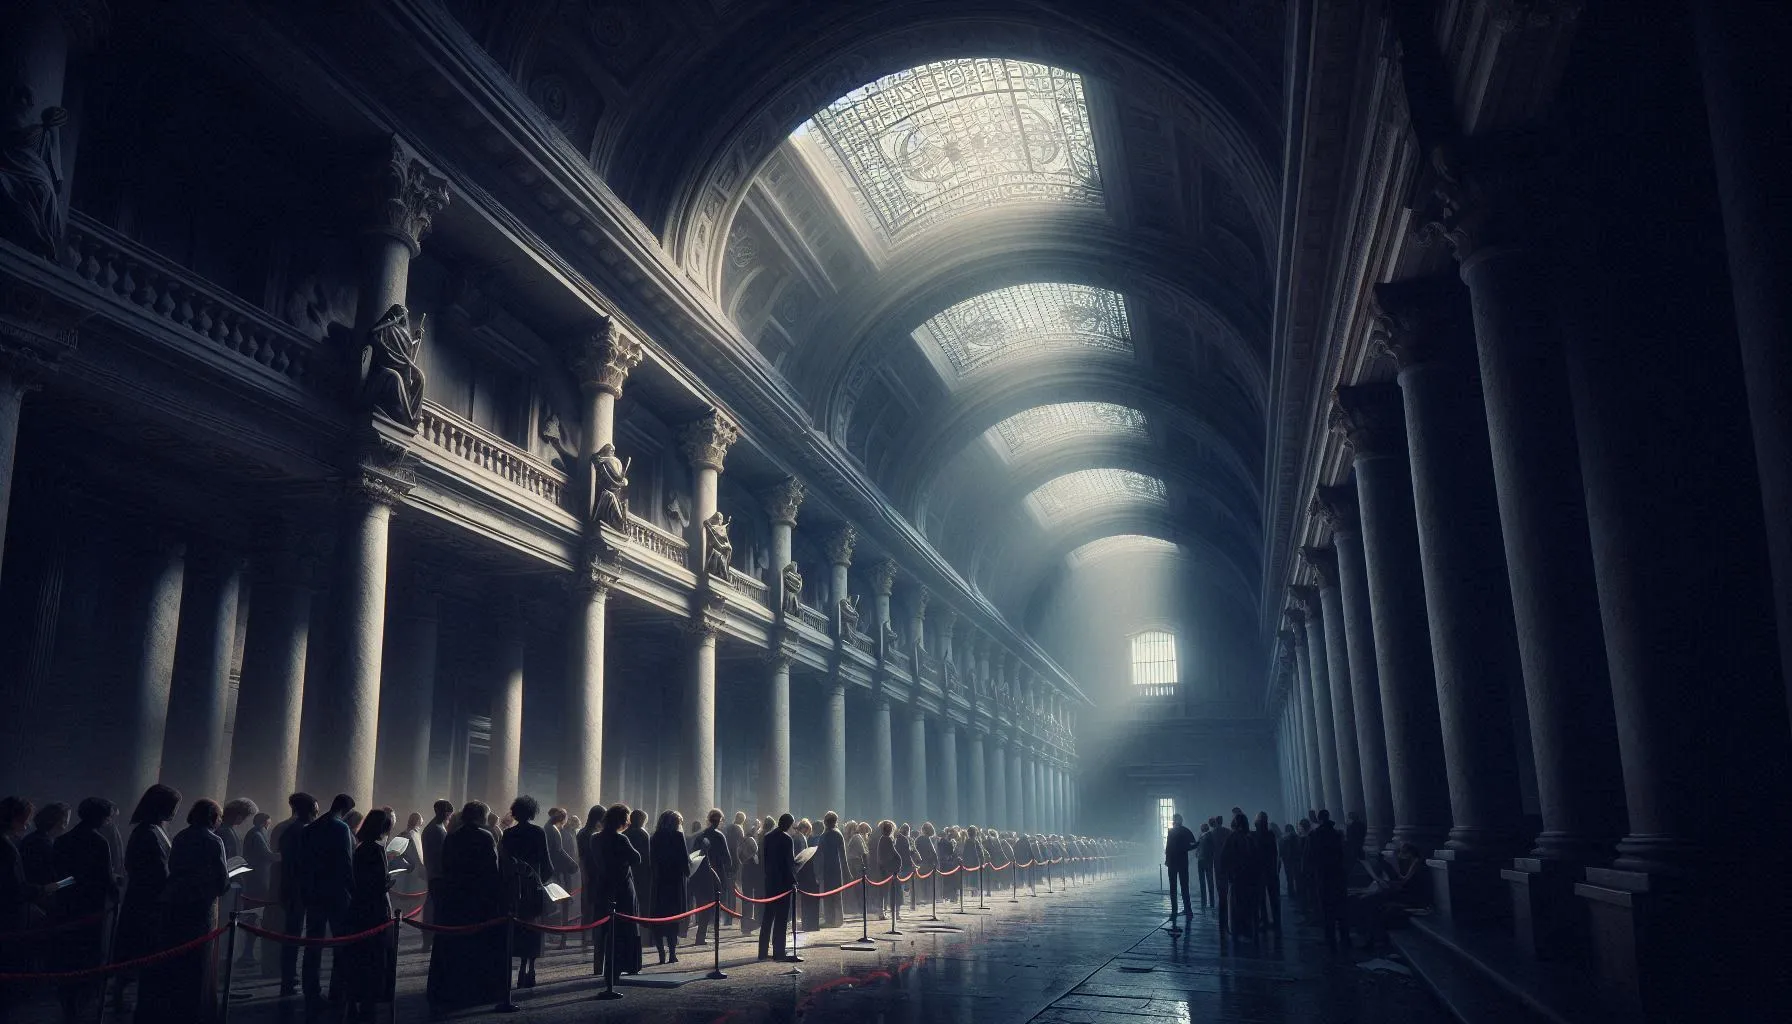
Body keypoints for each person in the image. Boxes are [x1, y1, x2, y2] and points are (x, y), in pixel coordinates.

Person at [137, 799, 228, 1023]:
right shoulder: (214, 840)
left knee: (179, 956)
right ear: (213, 818)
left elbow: (174, 868)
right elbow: (222, 880)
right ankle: (198, 1010)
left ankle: (175, 1006)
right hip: (203, 907)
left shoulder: (180, 837)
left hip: (176, 904)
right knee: (200, 960)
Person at [427, 802, 505, 1012]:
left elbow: (446, 866)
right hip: (479, 900)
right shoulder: (485, 837)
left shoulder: (453, 836)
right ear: (481, 817)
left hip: (456, 898)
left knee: (457, 947)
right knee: (478, 946)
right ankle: (477, 989)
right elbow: (492, 870)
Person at [112, 785, 180, 1013]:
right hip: (146, 902)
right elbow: (155, 871)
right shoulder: (147, 833)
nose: (174, 812)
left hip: (148, 899)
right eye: (172, 807)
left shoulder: (152, 830)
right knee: (139, 950)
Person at [299, 794, 355, 1010]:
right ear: (347, 810)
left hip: (314, 893)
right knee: (341, 943)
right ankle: (337, 990)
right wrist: (353, 890)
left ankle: (310, 990)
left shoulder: (310, 829)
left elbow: (302, 864)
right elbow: (345, 863)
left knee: (313, 944)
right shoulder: (341, 829)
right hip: (337, 894)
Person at [339, 809, 396, 1023]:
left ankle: (355, 996)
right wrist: (390, 881)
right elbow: (380, 884)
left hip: (359, 907)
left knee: (360, 954)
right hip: (375, 909)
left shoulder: (361, 848)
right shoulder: (377, 850)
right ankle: (371, 996)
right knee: (375, 954)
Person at [498, 796, 555, 988]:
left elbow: (504, 863)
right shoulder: (537, 832)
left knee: (516, 928)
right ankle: (529, 968)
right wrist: (544, 880)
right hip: (533, 885)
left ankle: (515, 970)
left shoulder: (508, 834)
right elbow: (546, 863)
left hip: (513, 887)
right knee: (534, 928)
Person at [591, 804, 642, 985]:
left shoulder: (595, 839)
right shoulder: (621, 839)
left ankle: (604, 967)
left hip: (603, 886)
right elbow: (637, 858)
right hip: (622, 887)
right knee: (624, 928)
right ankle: (618, 969)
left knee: (605, 929)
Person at [272, 793, 317, 994]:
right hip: (298, 891)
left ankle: (289, 979)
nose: (317, 813)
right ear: (307, 811)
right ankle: (289, 980)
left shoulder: (289, 830)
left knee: (291, 935)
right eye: (315, 809)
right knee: (293, 936)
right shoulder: (302, 832)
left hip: (290, 889)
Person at [1353, 842, 1426, 949]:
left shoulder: (1416, 862)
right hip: (1400, 893)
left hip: (1408, 897)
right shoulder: (1411, 862)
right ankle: (1371, 938)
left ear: (1410, 853)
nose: (1401, 857)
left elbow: (1404, 881)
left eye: (1403, 853)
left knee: (1372, 904)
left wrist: (1391, 874)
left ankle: (1374, 939)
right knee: (1370, 903)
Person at [648, 811, 689, 964]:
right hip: (675, 882)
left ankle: (661, 954)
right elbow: (684, 860)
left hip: (659, 882)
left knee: (659, 919)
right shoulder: (678, 837)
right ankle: (672, 953)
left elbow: (652, 860)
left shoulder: (655, 837)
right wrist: (689, 871)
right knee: (673, 920)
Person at [236, 812, 275, 968]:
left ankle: (248, 953)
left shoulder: (255, 833)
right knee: (254, 916)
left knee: (254, 917)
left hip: (256, 880)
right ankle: (247, 954)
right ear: (264, 822)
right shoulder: (257, 834)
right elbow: (267, 855)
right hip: (258, 881)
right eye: (268, 823)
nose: (269, 825)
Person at [1308, 809, 1348, 950]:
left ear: (1319, 819)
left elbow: (1310, 856)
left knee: (1326, 909)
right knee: (1341, 907)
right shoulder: (1338, 834)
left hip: (1322, 875)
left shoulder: (1315, 835)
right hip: (1338, 874)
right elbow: (1344, 853)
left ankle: (1330, 938)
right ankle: (1345, 937)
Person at [692, 808, 733, 946]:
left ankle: (700, 935)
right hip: (717, 874)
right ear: (719, 820)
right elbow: (727, 857)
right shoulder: (719, 835)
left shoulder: (700, 836)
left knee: (703, 905)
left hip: (701, 874)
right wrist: (729, 871)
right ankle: (707, 936)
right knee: (714, 905)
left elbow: (694, 855)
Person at [759, 814, 796, 961]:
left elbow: (765, 859)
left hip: (770, 882)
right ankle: (778, 951)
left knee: (767, 918)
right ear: (788, 824)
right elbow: (789, 863)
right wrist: (793, 880)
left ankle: (762, 952)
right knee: (781, 919)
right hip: (783, 884)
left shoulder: (767, 837)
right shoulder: (787, 839)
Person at [419, 799, 452, 953]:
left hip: (433, 873)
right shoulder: (437, 830)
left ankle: (429, 940)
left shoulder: (431, 828)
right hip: (438, 875)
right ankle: (430, 940)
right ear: (445, 813)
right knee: (435, 909)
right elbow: (442, 856)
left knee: (431, 907)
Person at [1220, 812, 1258, 939]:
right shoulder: (1250, 838)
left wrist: (1228, 872)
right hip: (1249, 876)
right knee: (1248, 904)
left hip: (1236, 877)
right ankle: (1248, 929)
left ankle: (1237, 929)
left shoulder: (1232, 838)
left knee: (1236, 904)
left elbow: (1224, 857)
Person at [623, 809, 653, 953]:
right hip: (643, 873)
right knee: (644, 903)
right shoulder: (643, 833)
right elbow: (647, 856)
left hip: (629, 872)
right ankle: (644, 935)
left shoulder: (625, 833)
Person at [1252, 812, 1281, 932]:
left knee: (1261, 898)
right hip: (1271, 870)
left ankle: (1264, 920)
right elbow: (1274, 853)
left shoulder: (1254, 835)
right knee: (1274, 898)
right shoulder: (1271, 835)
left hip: (1259, 871)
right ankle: (1277, 921)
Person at [1163, 812, 1195, 919]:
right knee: (1184, 886)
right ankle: (1188, 908)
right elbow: (1193, 844)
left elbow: (1168, 848)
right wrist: (1185, 849)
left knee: (1173, 887)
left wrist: (1167, 860)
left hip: (1172, 862)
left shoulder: (1171, 831)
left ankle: (1174, 910)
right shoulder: (1186, 831)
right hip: (1182, 862)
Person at [736, 822, 761, 935]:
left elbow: (739, 856)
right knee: (751, 901)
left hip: (745, 873)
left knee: (746, 901)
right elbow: (756, 857)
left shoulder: (743, 841)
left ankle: (745, 927)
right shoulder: (752, 842)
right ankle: (751, 925)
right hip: (753, 874)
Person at [874, 820, 900, 921]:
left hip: (884, 868)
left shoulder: (883, 839)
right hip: (885, 869)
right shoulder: (886, 839)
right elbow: (892, 853)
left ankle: (882, 911)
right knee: (883, 891)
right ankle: (881, 912)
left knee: (883, 891)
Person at [1195, 821, 1217, 908]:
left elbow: (1211, 847)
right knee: (1206, 880)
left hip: (1205, 860)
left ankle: (1208, 900)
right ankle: (1207, 899)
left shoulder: (1208, 835)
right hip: (1204, 860)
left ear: (1204, 828)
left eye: (1202, 827)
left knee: (1207, 880)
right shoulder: (1203, 835)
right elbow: (1199, 846)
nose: (1201, 829)